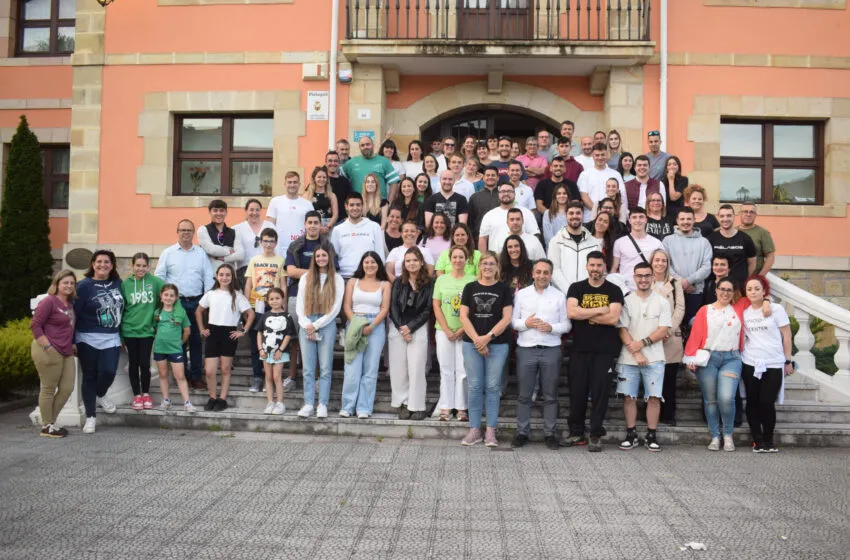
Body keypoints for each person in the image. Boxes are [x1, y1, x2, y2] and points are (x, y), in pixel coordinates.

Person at [565, 251, 624, 452]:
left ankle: (596, 434)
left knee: (600, 393)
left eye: (599, 265)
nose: (596, 269)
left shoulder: (614, 290)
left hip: (605, 351)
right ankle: (576, 432)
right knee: (577, 392)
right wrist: (600, 311)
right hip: (580, 350)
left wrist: (585, 314)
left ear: (604, 267)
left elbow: (614, 319)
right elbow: (572, 312)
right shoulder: (577, 287)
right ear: (587, 266)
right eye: (592, 265)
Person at [511, 259, 570, 450]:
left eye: (546, 272)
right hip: (526, 348)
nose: (542, 276)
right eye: (538, 272)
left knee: (550, 394)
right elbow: (513, 322)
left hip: (551, 349)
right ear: (532, 274)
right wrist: (526, 324)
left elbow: (567, 325)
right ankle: (522, 432)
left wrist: (552, 328)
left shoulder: (559, 296)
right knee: (524, 394)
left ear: (551, 275)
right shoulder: (522, 294)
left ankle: (550, 433)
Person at [616, 262, 673, 452]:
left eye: (647, 275)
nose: (643, 279)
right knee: (629, 397)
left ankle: (651, 435)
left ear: (652, 277)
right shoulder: (627, 301)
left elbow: (663, 329)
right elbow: (622, 329)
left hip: (655, 358)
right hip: (628, 358)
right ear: (634, 277)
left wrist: (642, 344)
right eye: (639, 276)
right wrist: (637, 351)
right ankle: (631, 434)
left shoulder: (662, 301)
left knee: (654, 397)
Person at [684, 277, 745, 452]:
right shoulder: (705, 310)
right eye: (722, 289)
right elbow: (695, 334)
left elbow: (758, 295)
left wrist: (765, 303)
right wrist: (690, 357)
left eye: (729, 290)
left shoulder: (739, 308)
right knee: (710, 400)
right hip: (708, 358)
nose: (725, 293)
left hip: (731, 358)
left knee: (726, 398)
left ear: (733, 293)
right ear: (716, 290)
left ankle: (727, 434)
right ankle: (715, 436)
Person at [459, 251, 513, 447]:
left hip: (497, 344)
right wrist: (477, 341)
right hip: (471, 343)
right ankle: (474, 430)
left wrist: (488, 338)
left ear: (497, 267)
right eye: (484, 263)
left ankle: (490, 431)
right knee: (474, 386)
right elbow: (464, 316)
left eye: (492, 263)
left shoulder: (504, 289)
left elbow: (506, 318)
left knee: (492, 386)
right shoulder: (470, 287)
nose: (488, 267)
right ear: (479, 266)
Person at [155, 219, 214, 389]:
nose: (186, 233)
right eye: (182, 230)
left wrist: (207, 302)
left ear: (193, 232)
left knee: (196, 340)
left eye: (189, 230)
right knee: (177, 340)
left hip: (196, 303)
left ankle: (195, 377)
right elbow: (160, 277)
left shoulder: (200, 254)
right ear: (177, 231)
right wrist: (164, 301)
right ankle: (180, 375)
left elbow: (208, 277)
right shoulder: (168, 253)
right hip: (175, 304)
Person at [741, 275, 793, 453]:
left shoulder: (776, 309)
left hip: (773, 363)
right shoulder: (745, 313)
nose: (753, 292)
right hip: (750, 362)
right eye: (749, 289)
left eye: (757, 288)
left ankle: (769, 439)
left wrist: (788, 360)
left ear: (764, 291)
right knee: (752, 402)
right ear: (745, 292)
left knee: (766, 401)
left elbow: (786, 336)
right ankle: (758, 440)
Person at [75, 250, 125, 435]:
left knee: (108, 371)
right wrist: (72, 341)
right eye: (99, 262)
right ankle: (90, 417)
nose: (103, 265)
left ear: (112, 265)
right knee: (89, 376)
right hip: (87, 337)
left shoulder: (119, 284)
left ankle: (101, 393)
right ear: (92, 264)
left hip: (111, 336)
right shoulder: (83, 286)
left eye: (107, 262)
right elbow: (74, 314)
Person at [196, 264, 254, 412]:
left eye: (228, 275)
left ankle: (222, 398)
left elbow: (250, 314)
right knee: (209, 370)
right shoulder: (211, 294)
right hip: (213, 332)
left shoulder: (237, 295)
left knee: (225, 368)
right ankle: (212, 397)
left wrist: (243, 330)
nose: (224, 277)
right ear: (217, 276)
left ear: (232, 277)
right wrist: (202, 329)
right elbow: (199, 311)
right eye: (221, 274)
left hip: (229, 333)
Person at [340, 252, 391, 418]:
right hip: (355, 322)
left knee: (370, 369)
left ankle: (364, 407)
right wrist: (356, 323)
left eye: (373, 262)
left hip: (375, 326)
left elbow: (384, 308)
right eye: (366, 262)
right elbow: (347, 306)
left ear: (378, 265)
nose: (370, 265)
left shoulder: (385, 284)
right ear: (362, 264)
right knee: (352, 368)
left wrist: (372, 325)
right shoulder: (353, 282)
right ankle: (347, 407)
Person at [296, 245, 344, 418]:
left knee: (325, 367)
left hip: (326, 323)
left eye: (324, 255)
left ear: (329, 258)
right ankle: (308, 403)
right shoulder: (306, 278)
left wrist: (316, 325)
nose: (321, 258)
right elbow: (300, 305)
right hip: (306, 322)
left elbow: (335, 308)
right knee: (308, 368)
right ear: (314, 259)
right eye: (318, 256)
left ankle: (322, 403)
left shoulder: (337, 279)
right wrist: (307, 324)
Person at [388, 247, 434, 421]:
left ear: (421, 262)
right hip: (398, 327)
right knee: (399, 368)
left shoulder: (429, 282)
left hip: (419, 327)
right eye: (408, 261)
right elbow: (392, 306)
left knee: (417, 368)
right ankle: (403, 403)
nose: (411, 263)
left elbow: (428, 308)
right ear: (404, 264)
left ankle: (417, 405)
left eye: (415, 260)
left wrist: (411, 327)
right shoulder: (399, 282)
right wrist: (402, 327)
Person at [31, 270, 77, 438]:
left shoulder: (70, 304)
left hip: (66, 350)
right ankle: (47, 425)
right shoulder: (49, 302)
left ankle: (51, 421)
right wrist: (48, 347)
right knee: (48, 388)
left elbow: (68, 327)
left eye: (72, 283)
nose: (69, 286)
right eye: (65, 282)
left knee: (67, 388)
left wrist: (72, 343)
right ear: (57, 284)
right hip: (48, 349)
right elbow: (35, 325)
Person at [433, 245, 475, 421]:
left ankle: (461, 408)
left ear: (466, 260)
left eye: (461, 257)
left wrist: (461, 330)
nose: (458, 260)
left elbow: (473, 308)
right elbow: (436, 305)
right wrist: (448, 329)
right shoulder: (441, 280)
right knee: (446, 369)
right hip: (444, 331)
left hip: (465, 331)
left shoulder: (472, 280)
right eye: (455, 257)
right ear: (450, 260)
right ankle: (445, 407)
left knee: (462, 370)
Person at [120, 252, 165, 411]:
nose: (141, 268)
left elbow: (168, 299)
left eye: (144, 266)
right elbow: (121, 308)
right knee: (133, 363)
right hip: (129, 330)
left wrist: (158, 316)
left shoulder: (156, 282)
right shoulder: (126, 284)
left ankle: (146, 393)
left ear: (149, 266)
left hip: (147, 331)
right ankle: (136, 395)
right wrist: (120, 334)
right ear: (132, 266)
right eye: (137, 265)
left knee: (145, 364)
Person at [243, 227, 286, 393]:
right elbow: (248, 283)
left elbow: (282, 284)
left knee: (274, 342)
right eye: (265, 240)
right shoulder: (254, 260)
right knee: (256, 343)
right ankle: (257, 378)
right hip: (256, 305)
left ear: (276, 243)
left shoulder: (280, 261)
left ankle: (274, 377)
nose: (268, 244)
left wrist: (283, 305)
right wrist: (246, 306)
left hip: (273, 305)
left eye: (272, 241)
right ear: (260, 242)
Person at [647, 249, 685, 428]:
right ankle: (648, 412)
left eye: (664, 260)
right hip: (651, 336)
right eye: (657, 260)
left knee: (669, 379)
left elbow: (680, 308)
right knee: (650, 377)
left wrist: (668, 329)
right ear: (651, 262)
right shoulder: (646, 280)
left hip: (670, 337)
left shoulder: (675, 283)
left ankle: (668, 414)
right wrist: (655, 333)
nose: (660, 263)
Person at [663, 207, 713, 326]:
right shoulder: (668, 240)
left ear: (694, 220)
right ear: (677, 220)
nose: (685, 222)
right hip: (673, 291)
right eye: (682, 219)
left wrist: (689, 281)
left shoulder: (704, 242)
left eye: (689, 219)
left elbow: (706, 267)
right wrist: (681, 283)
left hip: (695, 292)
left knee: (693, 326)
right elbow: (665, 266)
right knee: (673, 327)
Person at [153, 284, 195, 413]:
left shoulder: (180, 313)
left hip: (175, 349)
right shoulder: (157, 312)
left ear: (176, 298)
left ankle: (187, 403)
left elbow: (187, 331)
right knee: (163, 374)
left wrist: (179, 343)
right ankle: (166, 400)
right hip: (160, 348)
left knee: (180, 376)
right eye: (166, 295)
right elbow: (154, 328)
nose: (168, 298)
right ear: (161, 296)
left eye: (171, 295)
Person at [548, 201, 603, 295]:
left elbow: (598, 270)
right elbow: (555, 270)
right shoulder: (556, 241)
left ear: (583, 215)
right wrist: (571, 291)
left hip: (588, 295)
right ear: (566, 215)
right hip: (563, 295)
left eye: (578, 213)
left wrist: (589, 290)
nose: (575, 216)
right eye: (571, 213)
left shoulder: (594, 243)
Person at [257, 287, 295, 416]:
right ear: (267, 301)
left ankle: (280, 403)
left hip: (280, 352)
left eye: (277, 298)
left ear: (283, 299)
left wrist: (280, 350)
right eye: (272, 299)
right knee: (268, 377)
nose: (274, 301)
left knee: (276, 377)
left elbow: (288, 335)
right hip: (265, 352)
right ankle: (270, 402)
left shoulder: (287, 316)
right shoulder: (265, 316)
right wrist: (260, 349)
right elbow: (259, 333)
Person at [331, 192, 387, 279]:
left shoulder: (374, 227)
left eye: (358, 205)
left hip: (368, 277)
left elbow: (380, 255)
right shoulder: (337, 230)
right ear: (346, 206)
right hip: (344, 276)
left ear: (362, 206)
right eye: (352, 205)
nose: (355, 208)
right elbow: (334, 257)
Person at [611, 207, 664, 290]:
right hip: (627, 290)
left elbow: (663, 267)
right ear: (629, 220)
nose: (638, 220)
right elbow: (614, 268)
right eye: (634, 217)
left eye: (641, 217)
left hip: (651, 290)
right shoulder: (619, 242)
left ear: (646, 220)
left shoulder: (657, 243)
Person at [477, 184, 538, 253]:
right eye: (503, 191)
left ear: (514, 194)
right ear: (498, 194)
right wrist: (483, 259)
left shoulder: (526, 213)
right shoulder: (489, 215)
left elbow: (534, 235)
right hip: (497, 260)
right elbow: (483, 239)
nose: (506, 194)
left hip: (523, 258)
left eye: (509, 191)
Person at [266, 171, 315, 258]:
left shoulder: (307, 204)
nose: (292, 185)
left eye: (295, 182)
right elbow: (270, 226)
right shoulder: (275, 201)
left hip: (300, 247)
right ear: (285, 184)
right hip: (279, 247)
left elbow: (312, 226)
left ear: (299, 184)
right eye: (289, 182)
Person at [707, 204, 756, 290]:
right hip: (717, 288)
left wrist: (745, 280)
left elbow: (752, 262)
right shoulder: (711, 239)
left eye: (729, 216)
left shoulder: (745, 238)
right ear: (718, 218)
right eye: (722, 216)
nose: (725, 219)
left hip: (739, 287)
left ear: (734, 216)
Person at [578, 143, 626, 222]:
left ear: (607, 155)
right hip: (590, 218)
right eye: (597, 155)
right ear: (593, 156)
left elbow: (622, 196)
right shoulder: (585, 174)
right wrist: (598, 211)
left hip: (612, 218)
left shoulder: (615, 174)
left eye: (603, 154)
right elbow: (583, 196)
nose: (600, 157)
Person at [342, 135, 400, 200]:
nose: (365, 147)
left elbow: (394, 182)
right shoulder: (351, 163)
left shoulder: (384, 161)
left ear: (373, 145)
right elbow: (339, 177)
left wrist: (389, 202)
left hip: (379, 205)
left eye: (368, 144)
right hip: (358, 206)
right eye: (362, 145)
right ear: (359, 147)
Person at [233, 199, 276, 284]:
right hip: (245, 271)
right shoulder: (237, 229)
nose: (254, 213)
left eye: (257, 210)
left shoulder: (269, 226)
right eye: (251, 210)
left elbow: (276, 248)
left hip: (267, 268)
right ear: (246, 211)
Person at [197, 199, 245, 273]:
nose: (218, 213)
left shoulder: (234, 232)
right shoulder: (203, 229)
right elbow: (211, 249)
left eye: (221, 210)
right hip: (211, 277)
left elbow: (240, 255)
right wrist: (229, 250)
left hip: (230, 277)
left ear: (226, 212)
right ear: (210, 212)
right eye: (215, 210)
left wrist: (224, 258)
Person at [738, 202, 776, 276]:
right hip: (735, 279)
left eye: (752, 212)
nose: (748, 214)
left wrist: (760, 277)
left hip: (754, 280)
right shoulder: (733, 231)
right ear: (740, 213)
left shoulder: (763, 233)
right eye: (745, 211)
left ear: (755, 215)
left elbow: (770, 257)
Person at [300, 166, 338, 234]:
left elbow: (335, 214)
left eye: (324, 177)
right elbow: (303, 213)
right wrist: (316, 226)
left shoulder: (332, 195)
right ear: (314, 178)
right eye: (319, 177)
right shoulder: (306, 195)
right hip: (311, 226)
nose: (322, 179)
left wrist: (327, 227)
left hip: (328, 227)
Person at [467, 166, 501, 239]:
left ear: (498, 178)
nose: (490, 177)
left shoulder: (503, 196)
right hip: (479, 237)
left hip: (499, 236)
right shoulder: (474, 197)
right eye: (487, 175)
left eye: (493, 175)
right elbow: (470, 221)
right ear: (483, 178)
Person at [326, 150, 352, 220]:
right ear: (326, 163)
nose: (333, 163)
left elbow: (349, 201)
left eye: (335, 161)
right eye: (330, 161)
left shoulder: (345, 182)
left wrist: (347, 217)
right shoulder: (321, 180)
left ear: (339, 163)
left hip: (341, 221)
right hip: (322, 222)